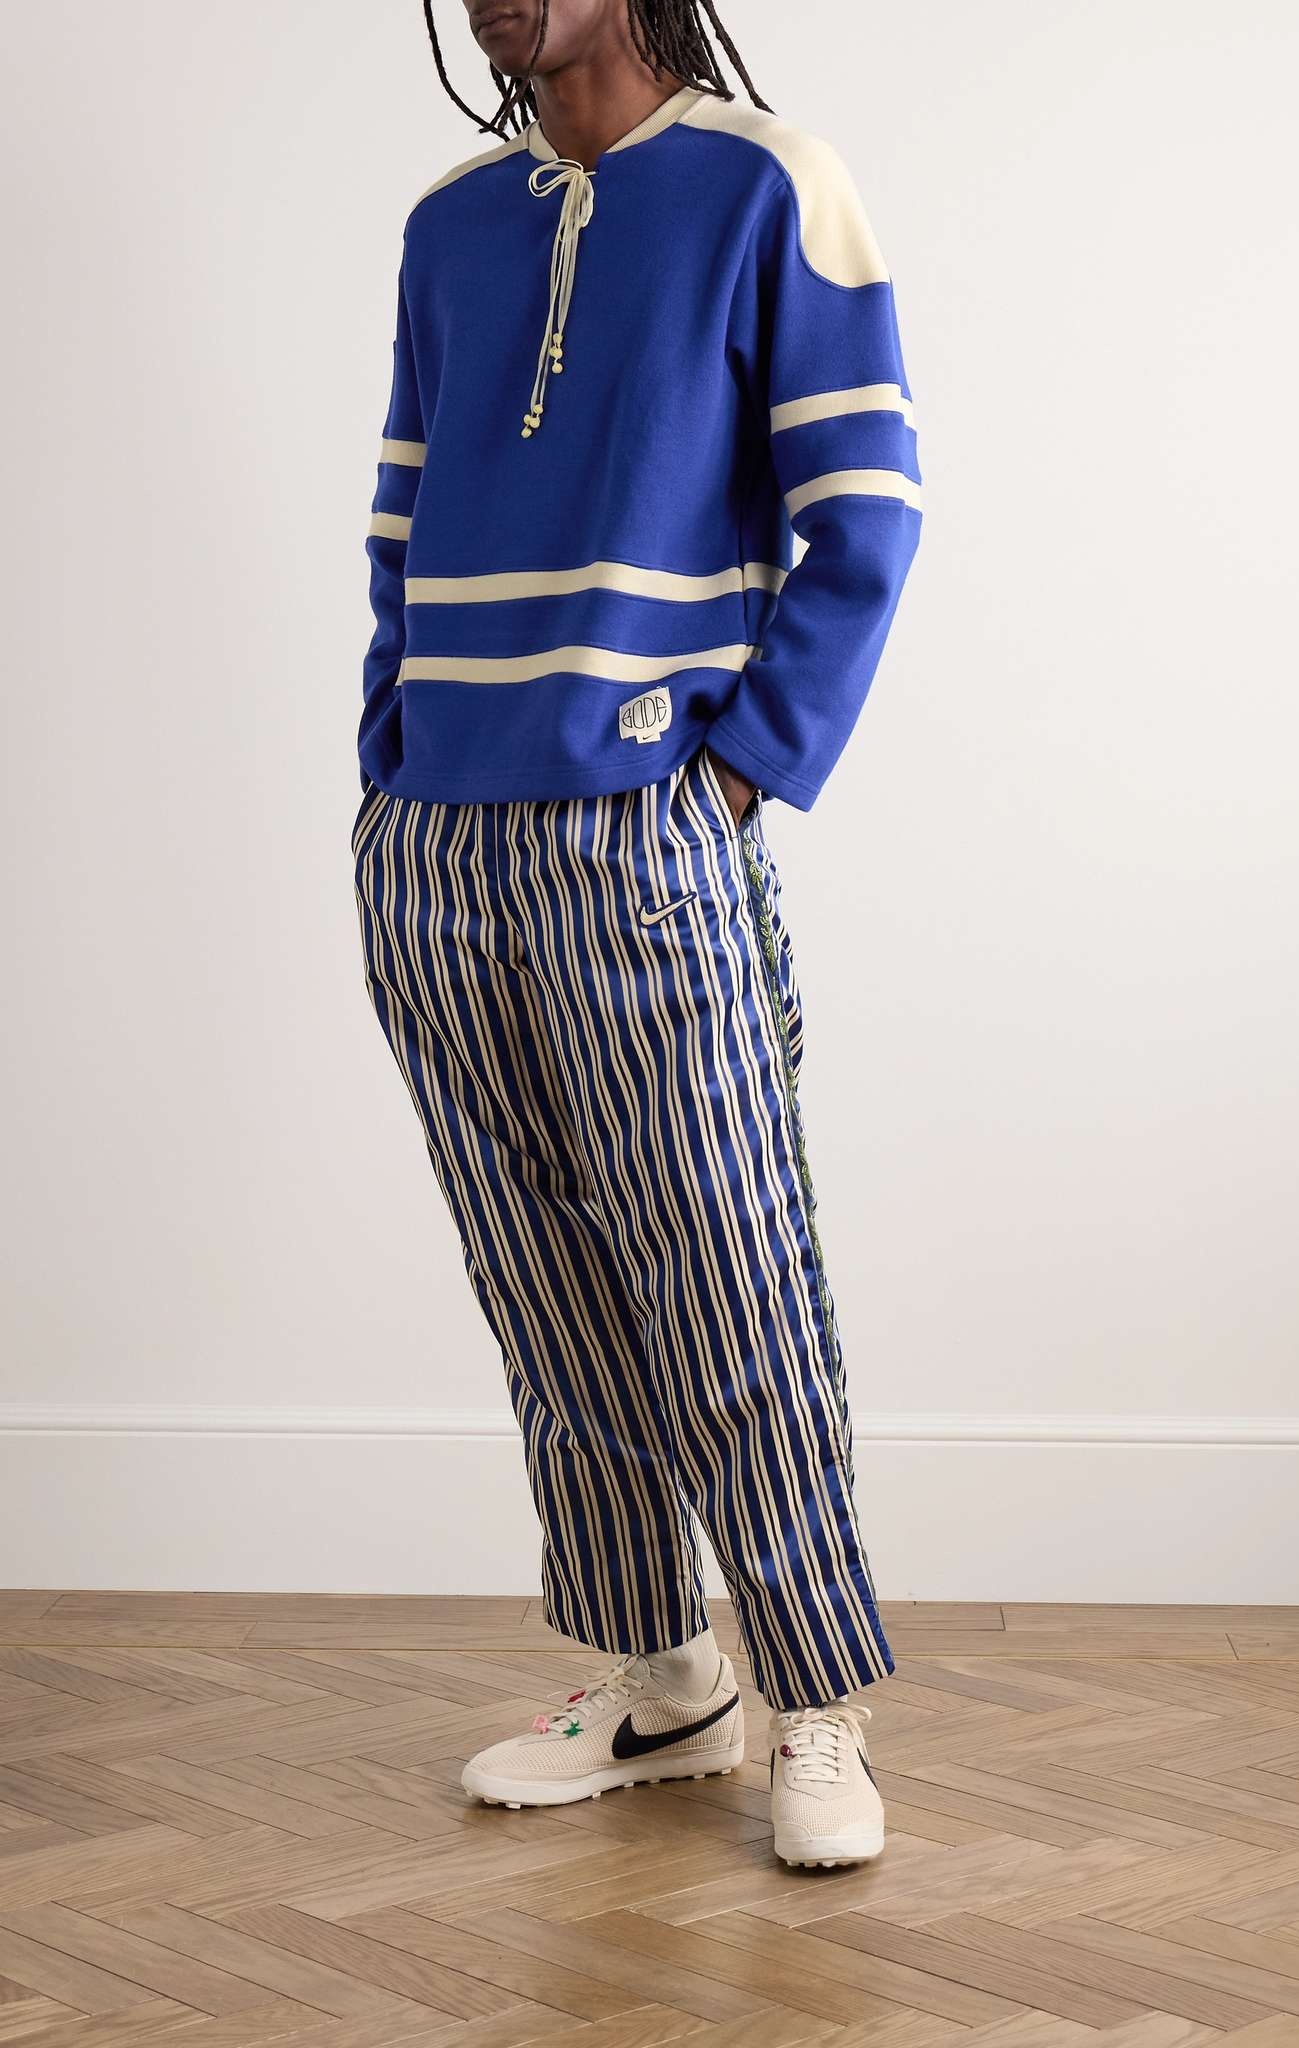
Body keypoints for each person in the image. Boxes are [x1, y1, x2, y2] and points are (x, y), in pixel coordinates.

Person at [352, 0, 921, 1869]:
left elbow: (869, 510)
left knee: (729, 1264)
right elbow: (402, 522)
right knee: (545, 1280)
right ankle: (667, 1678)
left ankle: (815, 1700)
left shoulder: (768, 186)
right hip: (436, 842)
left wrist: (737, 775)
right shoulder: (454, 223)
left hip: (645, 825)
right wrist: (391, 754)